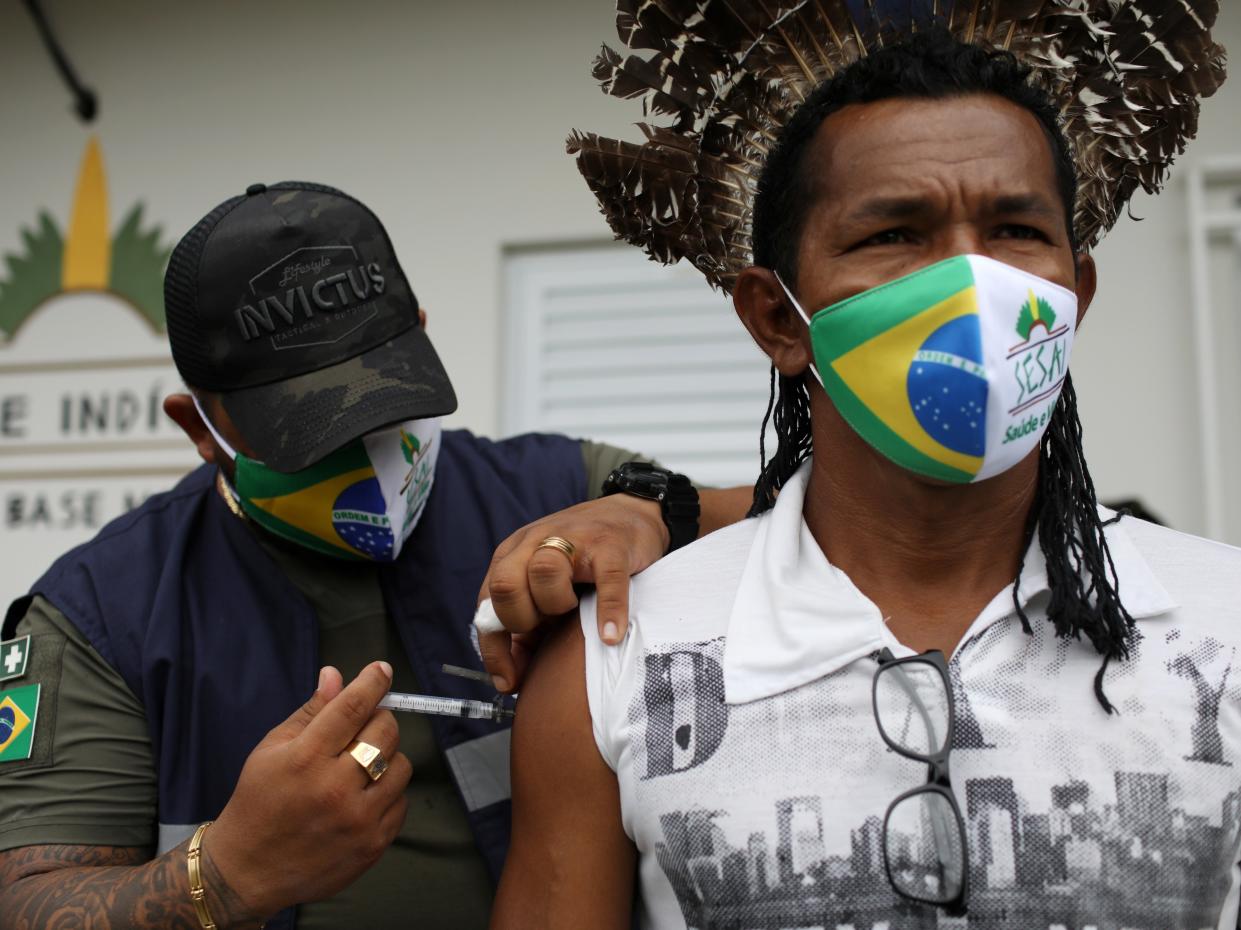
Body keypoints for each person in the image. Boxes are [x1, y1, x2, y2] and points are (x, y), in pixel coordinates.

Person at [494, 11, 1238, 930]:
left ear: (1073, 294)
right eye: (893, 235)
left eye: (1013, 228)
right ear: (777, 318)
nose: (969, 284)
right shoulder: (615, 663)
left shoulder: (1227, 622)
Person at [0, 181, 749, 929]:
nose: (365, 460)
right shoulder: (104, 615)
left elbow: (807, 520)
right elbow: (26, 898)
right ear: (201, 425)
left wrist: (651, 510)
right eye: (309, 435)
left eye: (385, 405)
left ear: (421, 338)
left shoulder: (558, 492)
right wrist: (225, 875)